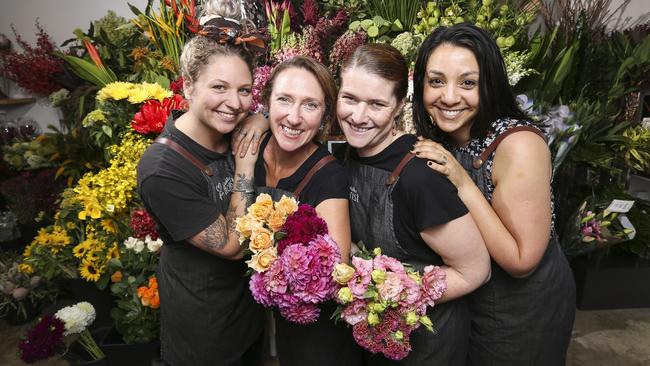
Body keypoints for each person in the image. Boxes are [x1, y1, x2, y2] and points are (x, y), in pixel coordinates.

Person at [411, 23, 576, 365]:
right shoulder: (442, 134)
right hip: (469, 298)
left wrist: (462, 182)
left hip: (523, 310)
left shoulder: (518, 145)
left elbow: (521, 261)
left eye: (468, 83)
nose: (450, 96)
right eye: (436, 81)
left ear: (490, 84)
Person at [337, 43, 491, 365]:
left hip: (429, 346)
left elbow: (475, 271)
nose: (358, 116)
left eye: (377, 104)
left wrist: (396, 297)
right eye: (349, 98)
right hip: (375, 337)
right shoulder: (348, 154)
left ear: (398, 107)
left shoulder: (420, 176)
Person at [137, 1, 268, 365]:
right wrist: (245, 166)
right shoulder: (163, 169)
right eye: (220, 87)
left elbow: (273, 114)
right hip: (204, 329)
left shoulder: (237, 126)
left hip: (247, 316)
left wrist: (263, 119)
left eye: (244, 90)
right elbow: (230, 245)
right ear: (189, 85)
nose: (234, 103)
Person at [255, 56, 362, 366]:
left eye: (310, 105)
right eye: (284, 100)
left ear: (325, 115)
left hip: (316, 337)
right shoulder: (252, 146)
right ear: (267, 101)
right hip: (259, 325)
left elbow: (334, 270)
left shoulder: (329, 176)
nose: (293, 117)